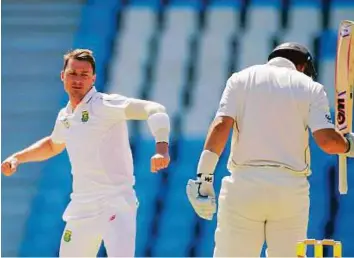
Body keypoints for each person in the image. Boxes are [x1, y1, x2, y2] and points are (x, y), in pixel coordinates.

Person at [186, 42, 354, 257]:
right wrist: (348, 144)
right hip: (290, 190)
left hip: (244, 186)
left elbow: (220, 126)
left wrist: (204, 177)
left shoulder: (240, 79)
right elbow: (329, 142)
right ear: (302, 66)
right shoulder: (311, 87)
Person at [1, 49, 171, 257]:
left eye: (84, 75)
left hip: (115, 203)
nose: (78, 80)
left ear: (93, 78)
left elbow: (155, 109)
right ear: (63, 76)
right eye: (73, 73)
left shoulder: (105, 104)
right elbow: (53, 145)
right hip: (81, 207)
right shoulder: (66, 115)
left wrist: (161, 149)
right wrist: (18, 158)